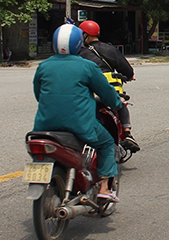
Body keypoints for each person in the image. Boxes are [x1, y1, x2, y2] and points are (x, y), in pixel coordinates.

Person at [33, 24, 124, 201]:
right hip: (80, 125)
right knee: (106, 143)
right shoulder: (87, 67)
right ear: (79, 44)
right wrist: (118, 102)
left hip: (44, 126)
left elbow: (39, 94)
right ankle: (105, 189)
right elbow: (106, 93)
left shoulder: (43, 66)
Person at [78, 20, 140, 152]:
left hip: (89, 94)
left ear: (84, 35)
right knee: (121, 103)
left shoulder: (79, 53)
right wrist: (128, 77)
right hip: (112, 92)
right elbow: (128, 71)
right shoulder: (110, 49)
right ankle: (127, 133)